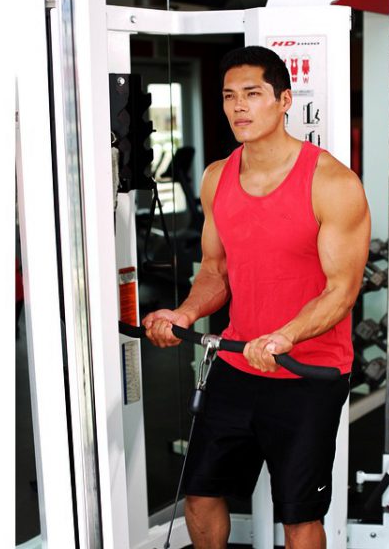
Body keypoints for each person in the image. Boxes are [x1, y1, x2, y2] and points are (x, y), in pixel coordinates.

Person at [142, 45, 370, 549]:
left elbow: (342, 290)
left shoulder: (332, 182)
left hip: (308, 371)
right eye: (229, 96)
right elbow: (215, 271)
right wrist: (184, 313)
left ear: (284, 100)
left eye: (252, 93)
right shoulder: (217, 177)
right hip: (237, 363)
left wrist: (285, 336)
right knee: (201, 495)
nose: (239, 106)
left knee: (299, 516)